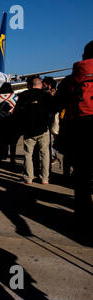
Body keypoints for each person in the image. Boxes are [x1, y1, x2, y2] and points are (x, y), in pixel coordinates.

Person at [64, 41, 93, 220]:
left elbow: (54, 105)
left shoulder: (72, 79)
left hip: (81, 133)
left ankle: (84, 219)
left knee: (82, 177)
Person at [15, 76, 55, 184]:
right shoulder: (46, 95)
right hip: (43, 129)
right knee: (45, 154)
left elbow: (17, 113)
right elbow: (53, 110)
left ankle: (28, 177)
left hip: (29, 130)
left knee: (28, 154)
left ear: (30, 85)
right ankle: (45, 178)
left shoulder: (23, 95)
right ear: (40, 84)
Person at [0, 83, 19, 163]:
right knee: (13, 142)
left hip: (0, 122)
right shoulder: (15, 97)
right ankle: (12, 158)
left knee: (0, 141)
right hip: (12, 122)